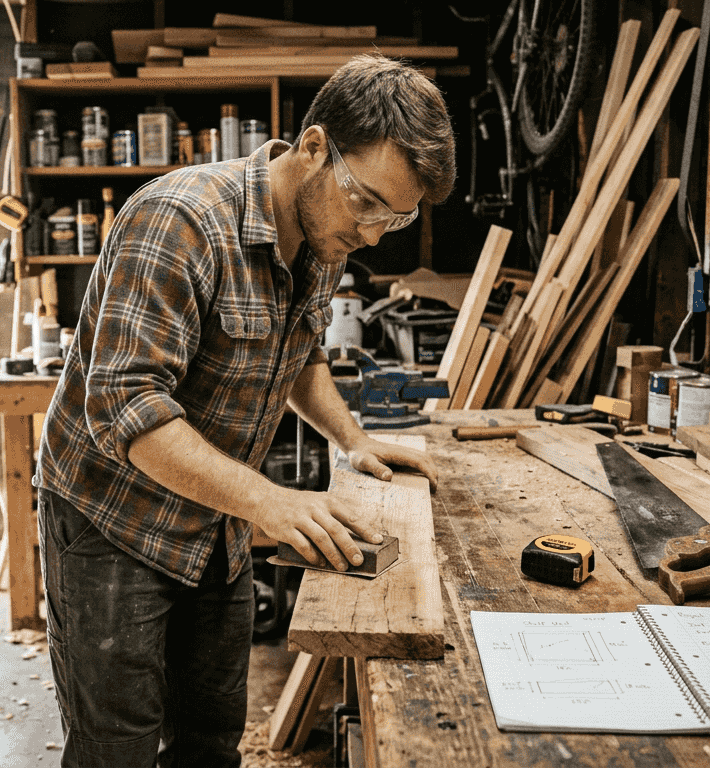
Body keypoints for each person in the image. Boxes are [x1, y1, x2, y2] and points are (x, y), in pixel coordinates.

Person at [33, 53, 456, 767]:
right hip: (114, 522)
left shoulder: (323, 235)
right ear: (315, 147)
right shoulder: (180, 221)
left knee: (209, 740)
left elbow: (301, 353)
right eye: (367, 202)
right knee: (118, 750)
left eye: (398, 215)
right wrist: (269, 501)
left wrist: (351, 440)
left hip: (215, 524)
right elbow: (130, 411)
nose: (375, 233)